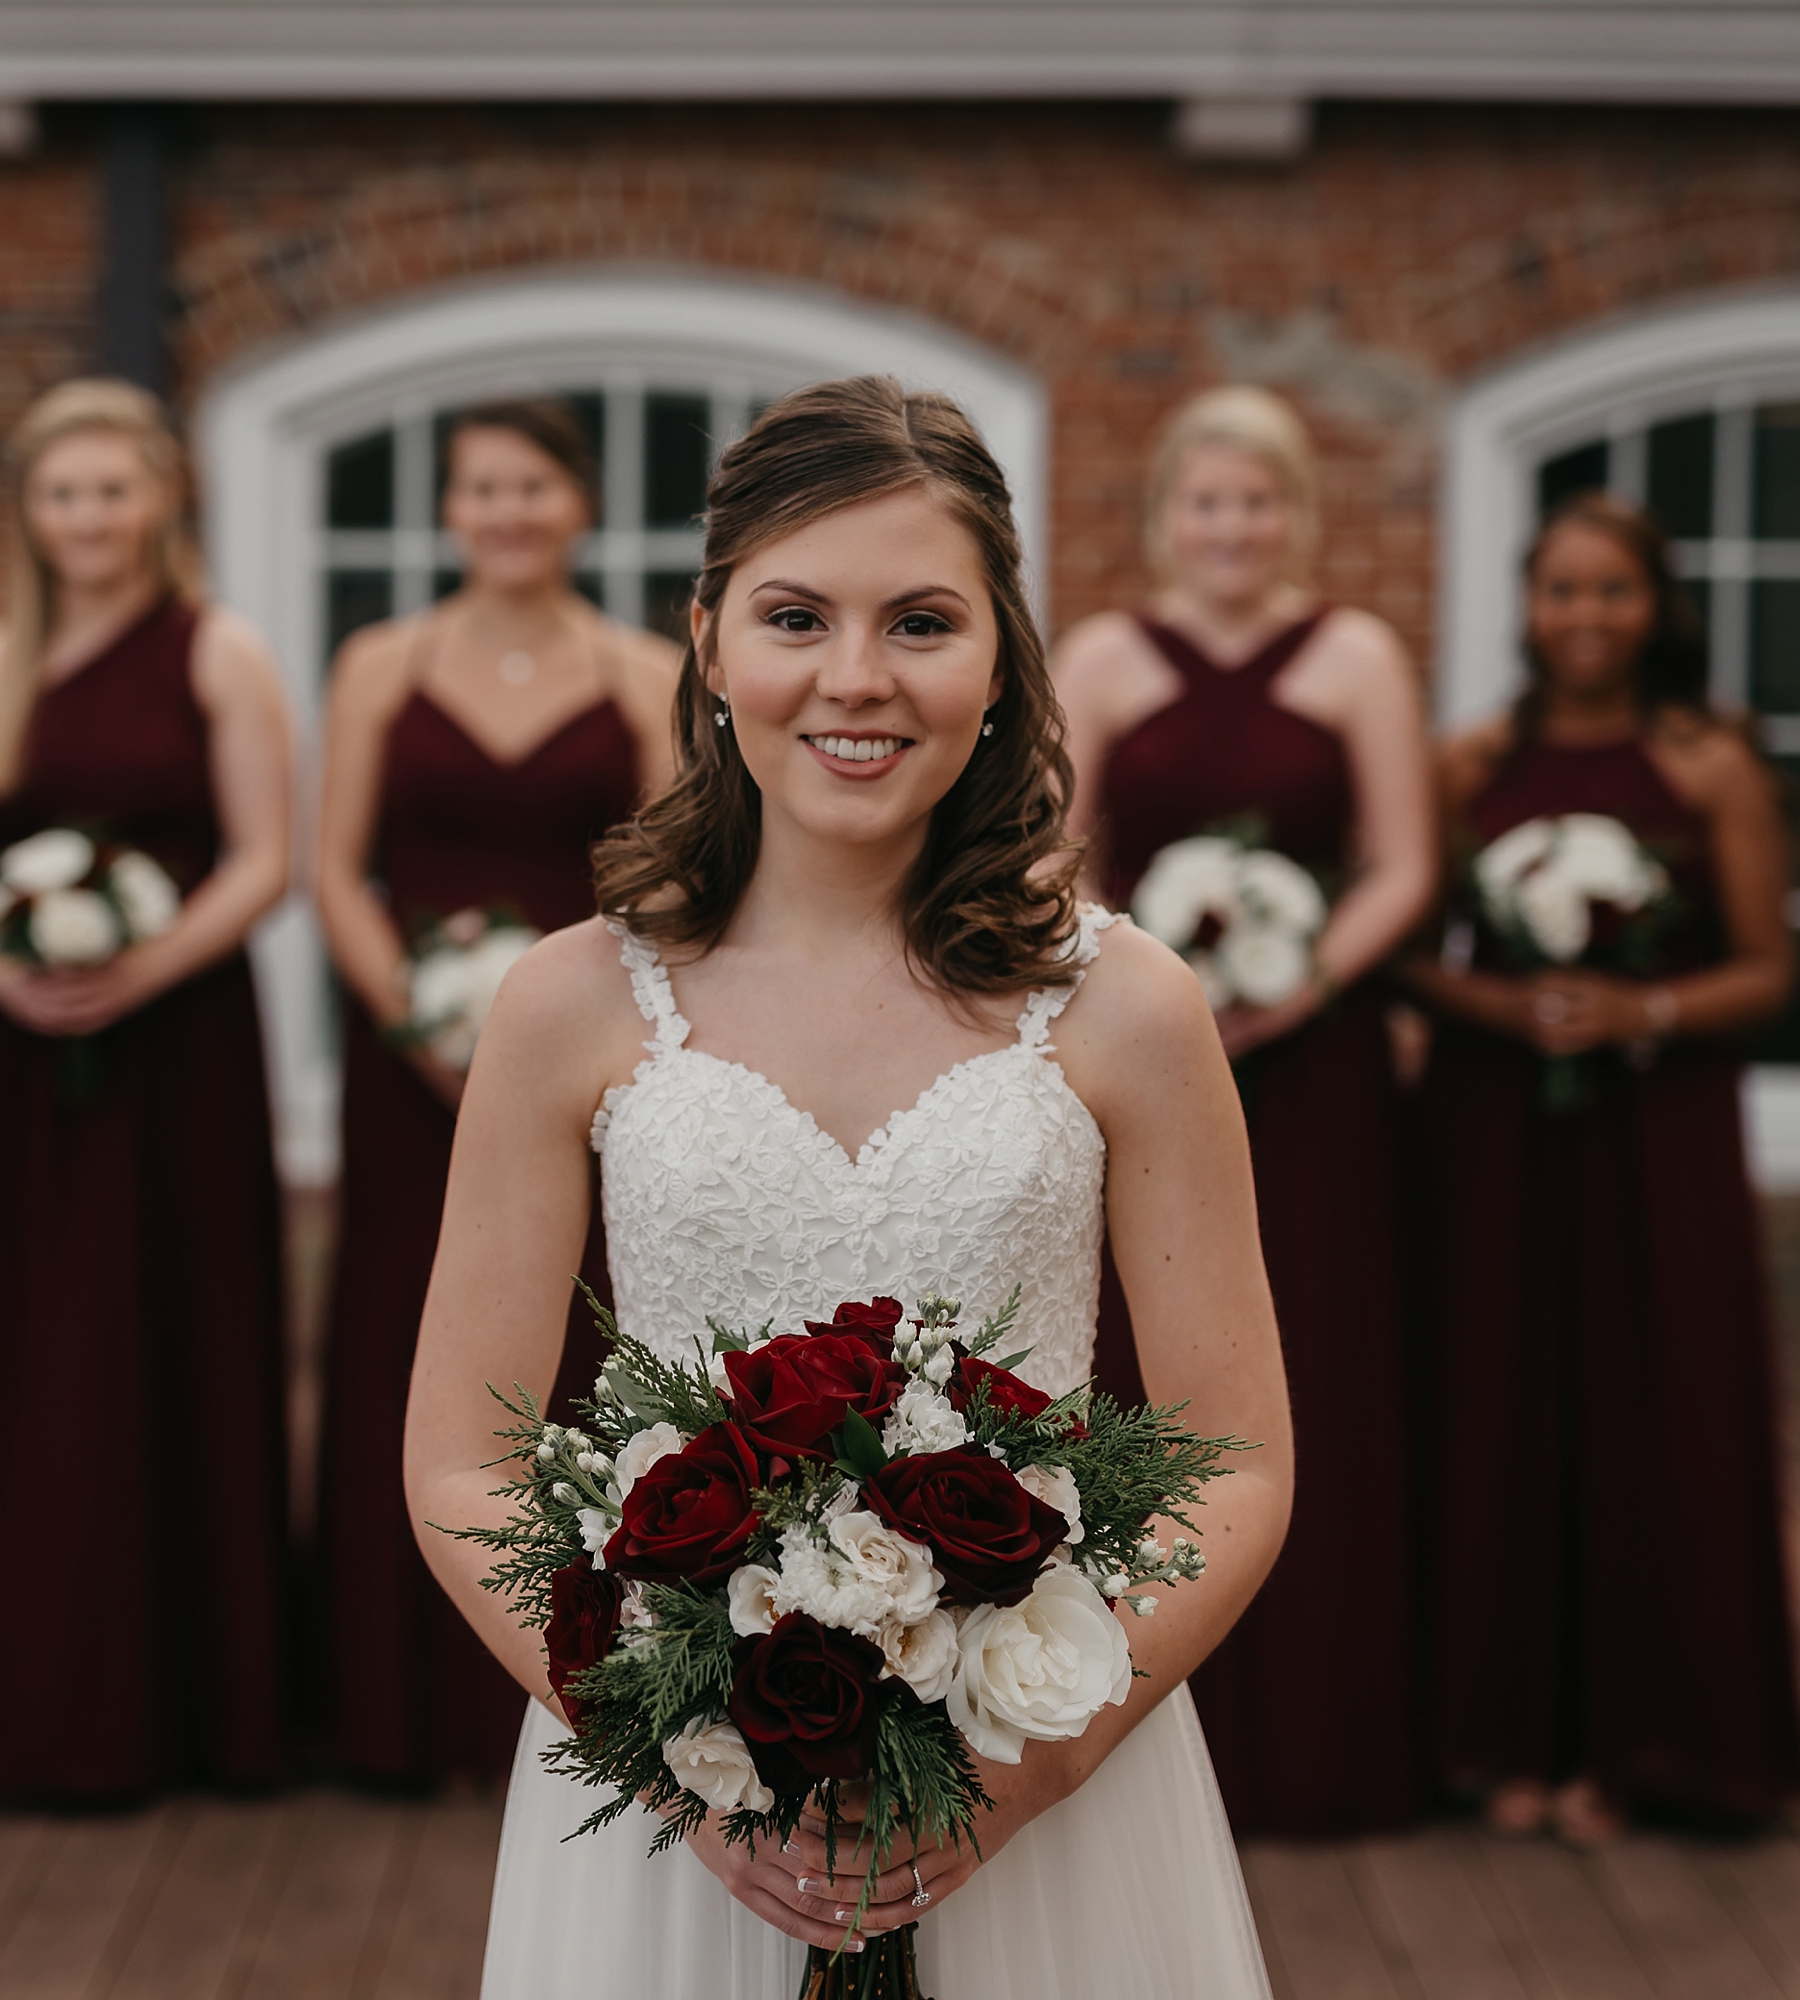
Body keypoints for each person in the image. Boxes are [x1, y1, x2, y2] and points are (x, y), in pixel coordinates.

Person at [407, 377, 1290, 1997]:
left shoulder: (1129, 1003)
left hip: (1049, 1791)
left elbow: (1235, 1463)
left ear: (1000, 655)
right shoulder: (567, 1004)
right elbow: (463, 1460)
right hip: (679, 1815)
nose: (856, 680)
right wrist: (674, 1755)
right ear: (707, 638)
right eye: (797, 616)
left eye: (923, 621)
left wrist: (1028, 1775)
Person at [0, 378, 296, 1800]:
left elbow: (267, 856)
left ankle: (194, 1709)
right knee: (17, 1351)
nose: (89, 519)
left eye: (112, 491)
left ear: (160, 499)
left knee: (156, 1336)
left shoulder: (218, 653)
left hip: (174, 1054)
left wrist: (143, 968)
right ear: (29, 510)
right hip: (6, 1063)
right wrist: (0, 972)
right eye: (63, 494)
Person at [1050, 385, 1436, 1836]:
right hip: (1141, 1058)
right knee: (1145, 1361)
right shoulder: (1098, 655)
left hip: (1313, 1070)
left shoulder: (1355, 655)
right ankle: (1124, 1707)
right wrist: (1150, 993)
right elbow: (1059, 852)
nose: (1232, 526)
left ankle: (1326, 1739)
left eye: (1259, 501)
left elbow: (1400, 862)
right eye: (1207, 500)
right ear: (1165, 514)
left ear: (1295, 515)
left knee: (1313, 1359)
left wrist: (1297, 980)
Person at [1403, 491, 1800, 1842]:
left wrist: (1640, 1012)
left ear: (1658, 607)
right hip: (1494, 1134)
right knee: (1497, 1412)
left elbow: (1767, 971)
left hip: (1656, 1133)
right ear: (1528, 607)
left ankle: (1647, 1748)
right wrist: (1510, 1012)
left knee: (1657, 1412)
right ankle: (1498, 1741)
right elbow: (1406, 955)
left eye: (1613, 591)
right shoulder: (1468, 765)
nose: (1586, 617)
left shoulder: (1710, 767)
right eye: (1561, 591)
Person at [313, 398, 678, 1787]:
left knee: (579, 1343)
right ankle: (391, 1705)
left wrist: (558, 1038)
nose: (508, 509)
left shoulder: (642, 671)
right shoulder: (379, 664)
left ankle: (583, 1667)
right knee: (409, 1335)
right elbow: (339, 869)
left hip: (587, 1060)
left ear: (575, 505)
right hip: (408, 1067)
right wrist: (417, 1013)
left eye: (533, 485)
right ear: (449, 509)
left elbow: (665, 874)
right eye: (482, 487)